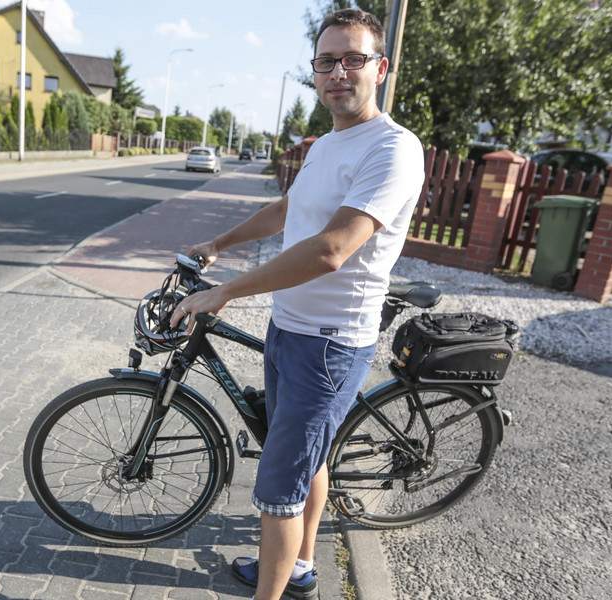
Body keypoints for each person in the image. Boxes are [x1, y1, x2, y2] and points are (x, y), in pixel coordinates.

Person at [171, 8, 424, 600]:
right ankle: (304, 564)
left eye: (353, 59)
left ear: (379, 68)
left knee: (277, 488)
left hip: (331, 343)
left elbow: (333, 249)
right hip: (290, 329)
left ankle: (275, 589)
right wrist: (219, 243)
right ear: (315, 72)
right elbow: (289, 210)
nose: (339, 71)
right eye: (326, 61)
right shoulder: (327, 144)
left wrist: (227, 290)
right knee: (306, 461)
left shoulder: (392, 150)